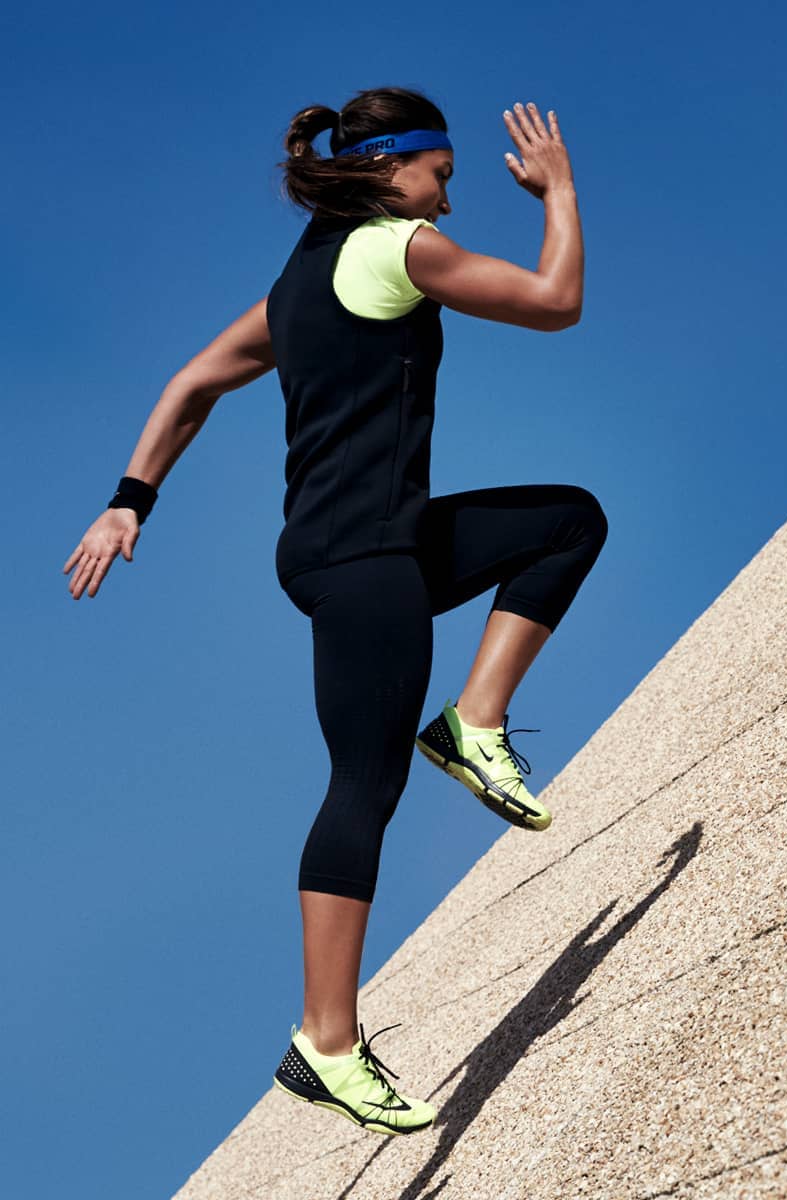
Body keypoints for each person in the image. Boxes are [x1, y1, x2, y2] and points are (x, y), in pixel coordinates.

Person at [62, 87, 608, 1137]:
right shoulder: (399, 248)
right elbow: (555, 299)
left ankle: (475, 724)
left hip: (359, 549)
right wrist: (562, 191)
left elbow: (190, 382)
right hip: (365, 560)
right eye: (441, 177)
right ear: (389, 169)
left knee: (563, 522)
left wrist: (129, 502)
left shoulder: (294, 286)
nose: (446, 201)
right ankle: (326, 1039)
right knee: (363, 782)